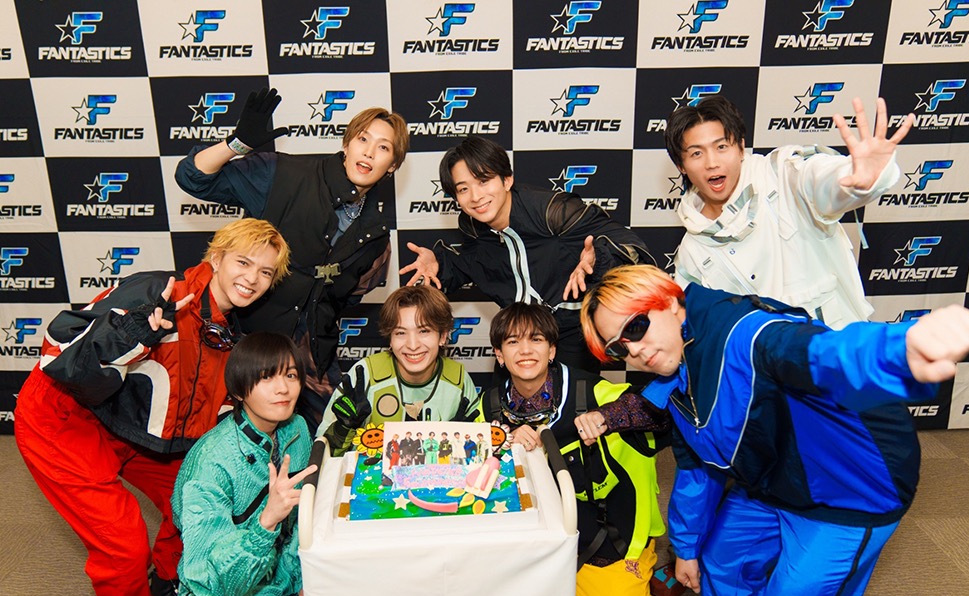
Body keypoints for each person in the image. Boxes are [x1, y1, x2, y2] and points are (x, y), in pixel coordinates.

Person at [576, 264, 969, 596]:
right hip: (772, 480)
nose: (634, 350)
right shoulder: (676, 371)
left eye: (635, 327)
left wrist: (898, 349)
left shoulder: (743, 333)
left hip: (850, 494)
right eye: (618, 348)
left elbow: (816, 352)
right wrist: (685, 548)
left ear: (669, 301)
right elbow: (697, 468)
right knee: (724, 566)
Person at [14, 218, 290, 596]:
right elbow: (61, 358)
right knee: (123, 541)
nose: (252, 279)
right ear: (216, 258)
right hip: (65, 417)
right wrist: (130, 337)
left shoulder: (227, 332)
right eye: (243, 262)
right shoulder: (156, 292)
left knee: (196, 500)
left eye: (265, 272)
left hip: (134, 429)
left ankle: (167, 593)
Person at [175, 87, 410, 430]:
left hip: (313, 360)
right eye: (363, 139)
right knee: (236, 439)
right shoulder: (284, 173)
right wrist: (236, 145)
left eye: (383, 148)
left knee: (337, 435)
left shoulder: (375, 234)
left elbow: (349, 296)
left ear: (393, 166)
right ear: (347, 144)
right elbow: (192, 178)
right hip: (247, 347)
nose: (369, 152)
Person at [477, 303, 668, 596]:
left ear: (552, 350)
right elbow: (467, 474)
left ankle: (631, 577)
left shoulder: (592, 392)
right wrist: (502, 444)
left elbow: (663, 416)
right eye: (513, 341)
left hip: (606, 535)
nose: (525, 350)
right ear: (499, 355)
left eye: (536, 340)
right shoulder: (487, 407)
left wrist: (609, 417)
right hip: (528, 542)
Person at [400, 135, 655, 373]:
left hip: (571, 337)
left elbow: (632, 249)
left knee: (573, 403)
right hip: (516, 335)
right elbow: (473, 264)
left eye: (483, 181)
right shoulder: (474, 227)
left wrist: (598, 258)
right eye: (463, 189)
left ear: (506, 180)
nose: (476, 196)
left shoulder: (552, 213)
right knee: (503, 405)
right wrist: (439, 265)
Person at [665, 95, 914, 330]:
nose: (712, 163)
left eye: (721, 147)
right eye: (696, 153)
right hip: (763, 360)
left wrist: (858, 176)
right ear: (681, 166)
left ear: (741, 148)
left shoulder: (781, 175)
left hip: (837, 347)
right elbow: (694, 328)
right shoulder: (692, 250)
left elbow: (819, 181)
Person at [173, 332, 318, 596]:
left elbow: (305, 524)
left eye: (290, 375)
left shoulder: (297, 429)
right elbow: (207, 581)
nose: (283, 389)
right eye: (266, 377)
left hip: (285, 575)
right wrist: (266, 522)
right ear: (239, 391)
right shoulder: (212, 462)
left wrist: (306, 594)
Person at [316, 286, 479, 456]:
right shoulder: (366, 374)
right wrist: (343, 429)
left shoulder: (458, 379)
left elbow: (480, 453)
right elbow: (323, 454)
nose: (413, 345)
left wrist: (458, 443)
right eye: (401, 333)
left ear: (443, 336)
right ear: (390, 339)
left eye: (424, 331)